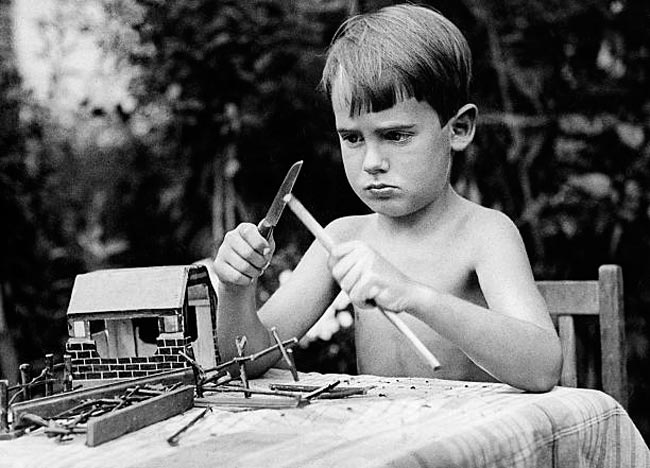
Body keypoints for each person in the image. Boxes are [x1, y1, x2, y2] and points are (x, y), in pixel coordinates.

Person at [213, 3, 562, 391]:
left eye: (396, 135)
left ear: (459, 128)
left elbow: (542, 367)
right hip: (383, 441)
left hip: (466, 443)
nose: (372, 162)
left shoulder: (484, 233)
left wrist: (413, 295)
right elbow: (244, 365)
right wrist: (236, 289)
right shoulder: (344, 238)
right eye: (353, 138)